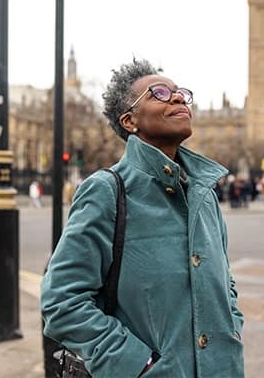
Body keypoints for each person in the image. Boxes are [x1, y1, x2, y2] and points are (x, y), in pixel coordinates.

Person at [41, 58, 245, 377]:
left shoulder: (205, 195)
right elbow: (62, 301)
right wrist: (138, 365)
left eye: (180, 93)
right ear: (129, 120)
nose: (177, 97)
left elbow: (225, 282)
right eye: (159, 93)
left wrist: (232, 326)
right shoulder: (107, 191)